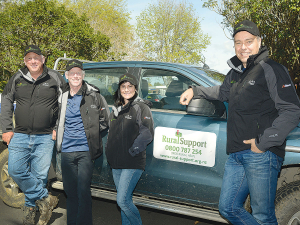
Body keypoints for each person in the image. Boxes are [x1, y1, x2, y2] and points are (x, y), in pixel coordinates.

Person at [179, 20, 300, 224]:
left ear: (259, 41)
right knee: (228, 207)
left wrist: (263, 143)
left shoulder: (271, 69)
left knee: (263, 215)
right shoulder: (235, 73)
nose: (243, 47)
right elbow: (222, 91)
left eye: (248, 41)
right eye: (238, 42)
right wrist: (195, 90)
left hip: (261, 153)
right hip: (236, 153)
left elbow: (291, 110)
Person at [1, 45, 66, 225]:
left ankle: (32, 211)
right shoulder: (17, 77)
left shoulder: (54, 77)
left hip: (45, 136)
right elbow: (6, 100)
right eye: (29, 58)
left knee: (39, 176)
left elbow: (66, 103)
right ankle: (46, 197)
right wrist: (6, 128)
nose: (33, 61)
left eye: (36, 58)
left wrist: (57, 127)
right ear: (25, 61)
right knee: (15, 170)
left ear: (43, 59)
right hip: (20, 134)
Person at [55, 59, 109, 225]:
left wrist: (91, 133)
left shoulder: (94, 95)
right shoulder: (61, 95)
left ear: (83, 75)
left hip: (86, 151)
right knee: (70, 192)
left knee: (83, 191)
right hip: (66, 151)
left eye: (79, 73)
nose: (75, 76)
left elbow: (105, 120)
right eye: (72, 73)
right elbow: (54, 116)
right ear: (66, 76)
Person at [105, 73, 154, 225]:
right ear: (119, 89)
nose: (126, 89)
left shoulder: (141, 107)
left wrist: (132, 151)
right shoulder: (116, 109)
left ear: (135, 89)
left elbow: (147, 133)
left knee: (122, 201)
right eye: (123, 86)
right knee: (124, 201)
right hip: (116, 163)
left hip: (132, 162)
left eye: (130, 86)